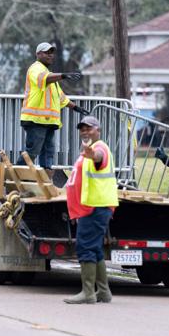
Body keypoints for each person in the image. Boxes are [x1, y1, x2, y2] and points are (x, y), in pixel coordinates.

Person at [64, 115, 117, 304]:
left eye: (89, 128)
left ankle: (88, 293)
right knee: (94, 249)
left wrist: (92, 155)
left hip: (95, 206)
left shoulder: (99, 148)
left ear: (98, 130)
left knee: (85, 247)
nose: (85, 131)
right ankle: (103, 292)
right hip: (92, 206)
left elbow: (99, 158)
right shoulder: (87, 150)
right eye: (82, 129)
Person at [20, 42, 88, 170]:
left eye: (52, 53)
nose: (50, 55)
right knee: (32, 152)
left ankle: (46, 182)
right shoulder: (36, 68)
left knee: (48, 153)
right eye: (46, 52)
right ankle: (15, 177)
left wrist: (76, 107)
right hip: (35, 120)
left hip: (48, 122)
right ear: (38, 54)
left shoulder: (49, 74)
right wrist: (63, 75)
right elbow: (43, 79)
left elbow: (61, 98)